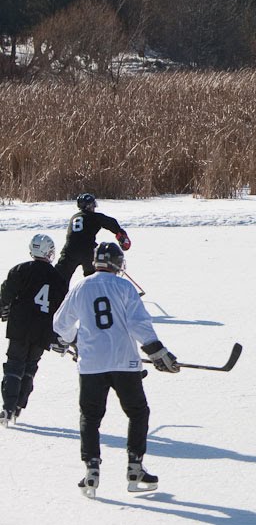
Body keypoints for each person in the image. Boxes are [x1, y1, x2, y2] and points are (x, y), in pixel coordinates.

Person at [52, 242, 179, 498]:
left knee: (90, 416)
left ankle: (91, 470)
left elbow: (60, 323)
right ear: (116, 263)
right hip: (125, 362)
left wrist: (74, 340)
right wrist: (156, 351)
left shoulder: (81, 285)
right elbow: (138, 323)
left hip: (91, 365)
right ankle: (135, 468)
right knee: (137, 412)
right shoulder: (123, 286)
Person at [1, 234, 68, 427]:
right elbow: (63, 309)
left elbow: (5, 294)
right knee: (30, 368)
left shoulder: (20, 270)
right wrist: (59, 336)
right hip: (42, 330)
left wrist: (2, 308)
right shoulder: (58, 278)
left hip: (19, 326)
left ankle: (8, 407)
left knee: (14, 366)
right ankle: (19, 405)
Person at [55, 193, 131, 283]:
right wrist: (121, 235)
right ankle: (95, 292)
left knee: (59, 277)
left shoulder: (74, 217)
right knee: (93, 278)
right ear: (90, 205)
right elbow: (111, 223)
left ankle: (54, 293)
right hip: (88, 250)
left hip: (70, 250)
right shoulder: (94, 217)